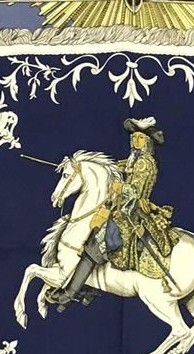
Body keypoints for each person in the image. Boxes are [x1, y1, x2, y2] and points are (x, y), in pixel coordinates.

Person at [54, 117, 175, 308]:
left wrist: (119, 187)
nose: (135, 141)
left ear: (147, 142)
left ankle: (70, 293)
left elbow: (134, 191)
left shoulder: (144, 163)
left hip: (131, 212)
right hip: (126, 207)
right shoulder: (137, 160)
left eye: (139, 139)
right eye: (134, 138)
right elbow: (126, 166)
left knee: (97, 243)